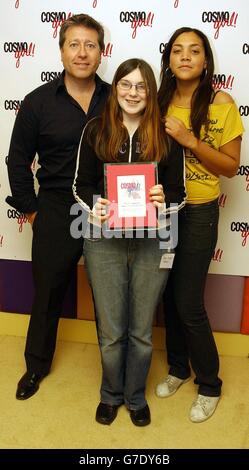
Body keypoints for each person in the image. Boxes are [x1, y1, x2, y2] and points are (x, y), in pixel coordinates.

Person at [73, 58, 186, 426]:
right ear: (116, 88)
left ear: (151, 93)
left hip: (153, 242)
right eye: (125, 84)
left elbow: (179, 193)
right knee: (110, 329)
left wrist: (162, 201)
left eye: (141, 86)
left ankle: (135, 396)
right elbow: (81, 185)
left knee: (140, 329)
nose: (132, 93)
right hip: (104, 240)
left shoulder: (166, 135)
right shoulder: (96, 129)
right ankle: (110, 395)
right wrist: (96, 205)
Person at [6, 13, 110, 400]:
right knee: (47, 293)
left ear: (102, 52)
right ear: (62, 49)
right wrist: (32, 210)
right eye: (74, 44)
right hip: (55, 208)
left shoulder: (118, 96)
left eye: (91, 45)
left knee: (111, 297)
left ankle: (115, 376)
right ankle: (35, 367)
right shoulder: (36, 103)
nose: (82, 53)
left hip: (106, 209)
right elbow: (17, 162)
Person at [155, 27, 244, 422]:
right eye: (178, 51)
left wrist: (191, 140)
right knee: (167, 295)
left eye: (194, 51)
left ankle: (209, 383)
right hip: (162, 212)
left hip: (200, 211)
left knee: (189, 300)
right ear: (169, 60)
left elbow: (229, 167)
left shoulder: (221, 102)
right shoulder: (158, 101)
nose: (186, 57)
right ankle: (178, 367)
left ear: (206, 60)